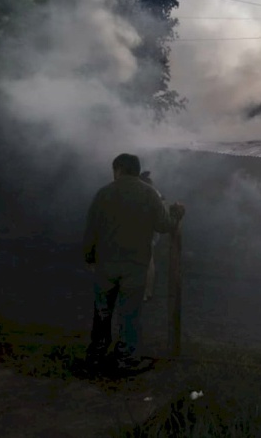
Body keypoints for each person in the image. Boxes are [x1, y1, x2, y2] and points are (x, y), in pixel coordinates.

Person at [83, 154, 185, 371]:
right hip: (135, 264)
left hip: (106, 263)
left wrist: (89, 256)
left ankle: (96, 355)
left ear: (118, 169)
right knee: (129, 313)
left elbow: (91, 229)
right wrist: (176, 215)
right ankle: (125, 359)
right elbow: (163, 225)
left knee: (102, 312)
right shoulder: (149, 194)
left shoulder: (104, 193)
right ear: (137, 171)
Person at [139, 171, 158, 302]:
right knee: (148, 261)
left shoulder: (146, 194)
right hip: (150, 232)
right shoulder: (156, 194)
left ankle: (145, 292)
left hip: (144, 231)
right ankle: (147, 292)